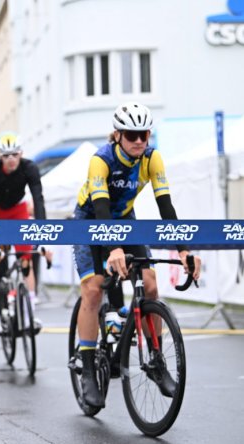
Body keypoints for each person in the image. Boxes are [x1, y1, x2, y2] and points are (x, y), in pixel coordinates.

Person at [73, 102, 202, 408]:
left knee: (151, 284)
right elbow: (101, 209)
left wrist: (183, 250)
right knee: (93, 290)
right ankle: (88, 368)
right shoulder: (100, 161)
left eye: (143, 133)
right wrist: (113, 248)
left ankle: (156, 361)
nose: (139, 140)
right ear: (118, 135)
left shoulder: (152, 158)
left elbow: (166, 207)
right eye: (132, 134)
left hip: (125, 219)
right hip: (90, 221)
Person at [0, 132, 49, 335]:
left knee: (26, 258)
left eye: (14, 154)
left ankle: (29, 315)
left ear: (21, 153)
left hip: (18, 211)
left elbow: (38, 200)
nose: (11, 159)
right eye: (5, 155)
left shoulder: (30, 168)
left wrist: (43, 235)